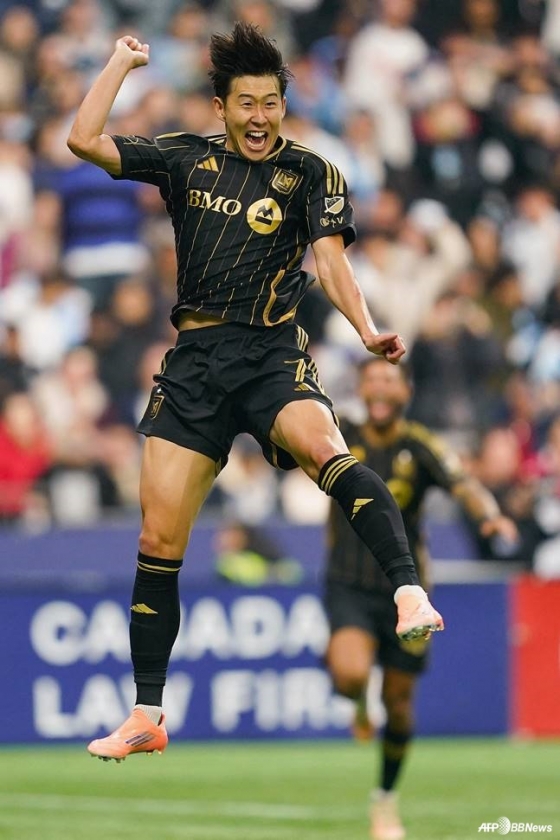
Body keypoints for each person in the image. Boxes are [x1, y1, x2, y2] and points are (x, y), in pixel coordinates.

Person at [67, 22, 444, 763]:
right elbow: (85, 140)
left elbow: (331, 264)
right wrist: (119, 63)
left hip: (270, 354)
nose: (261, 117)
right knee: (157, 542)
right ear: (221, 105)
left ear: (282, 104)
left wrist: (365, 328)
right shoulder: (184, 158)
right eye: (247, 103)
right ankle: (147, 713)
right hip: (196, 362)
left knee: (328, 451)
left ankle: (407, 592)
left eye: (272, 103)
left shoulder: (312, 173)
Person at [324, 357, 517, 840]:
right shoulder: (339, 434)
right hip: (348, 581)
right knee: (349, 671)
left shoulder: (421, 445)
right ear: (363, 391)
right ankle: (360, 701)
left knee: (402, 703)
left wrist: (489, 514)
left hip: (406, 593)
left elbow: (463, 483)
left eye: (391, 381)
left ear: (405, 392)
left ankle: (385, 801)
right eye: (374, 381)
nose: (382, 390)